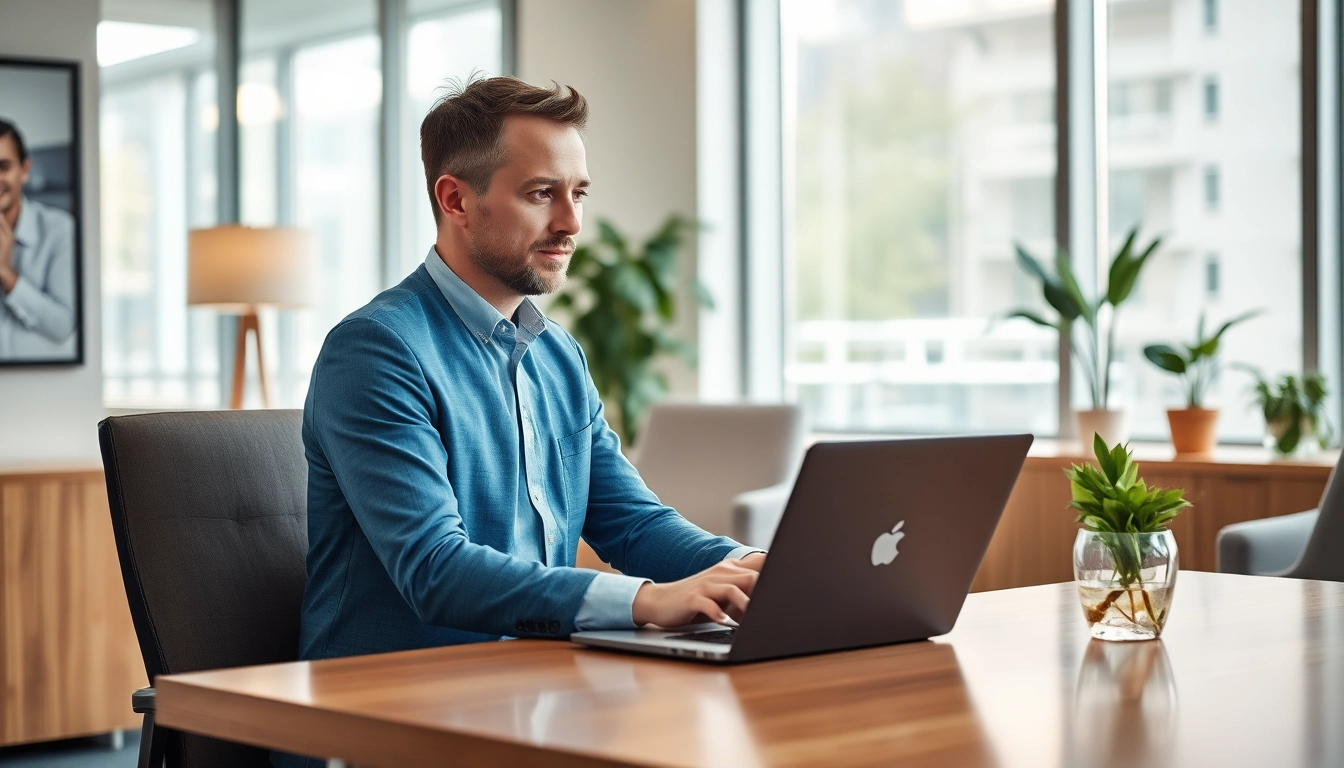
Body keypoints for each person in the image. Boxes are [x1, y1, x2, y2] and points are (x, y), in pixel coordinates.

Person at [297, 77, 765, 669]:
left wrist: (752, 567)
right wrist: (646, 601)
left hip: (531, 691)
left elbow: (634, 525)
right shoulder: (375, 351)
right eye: (543, 194)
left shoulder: (558, 355)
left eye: (579, 194)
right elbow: (435, 568)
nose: (571, 223)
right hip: (380, 714)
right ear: (457, 200)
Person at [0, 118, 76, 360]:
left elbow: (62, 326)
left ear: (24, 170)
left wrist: (7, 274)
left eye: (3, 166)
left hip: (40, 389)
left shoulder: (59, 230)